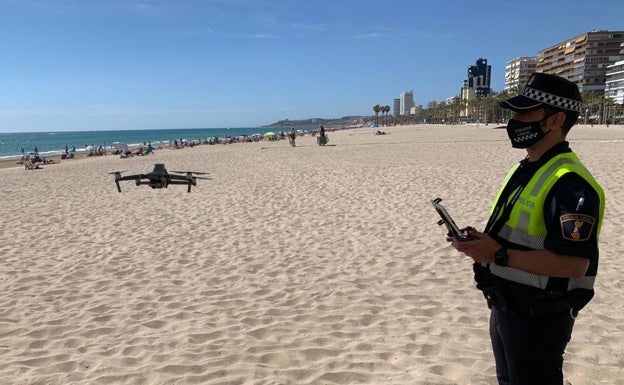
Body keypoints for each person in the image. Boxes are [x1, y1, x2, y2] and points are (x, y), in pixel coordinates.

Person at [448, 72, 605, 385]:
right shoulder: (528, 167)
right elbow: (519, 233)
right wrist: (484, 242)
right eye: (515, 112)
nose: (515, 120)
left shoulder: (570, 184)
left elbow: (574, 264)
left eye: (526, 112)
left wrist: (498, 254)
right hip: (507, 305)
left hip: (539, 315)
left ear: (555, 119)